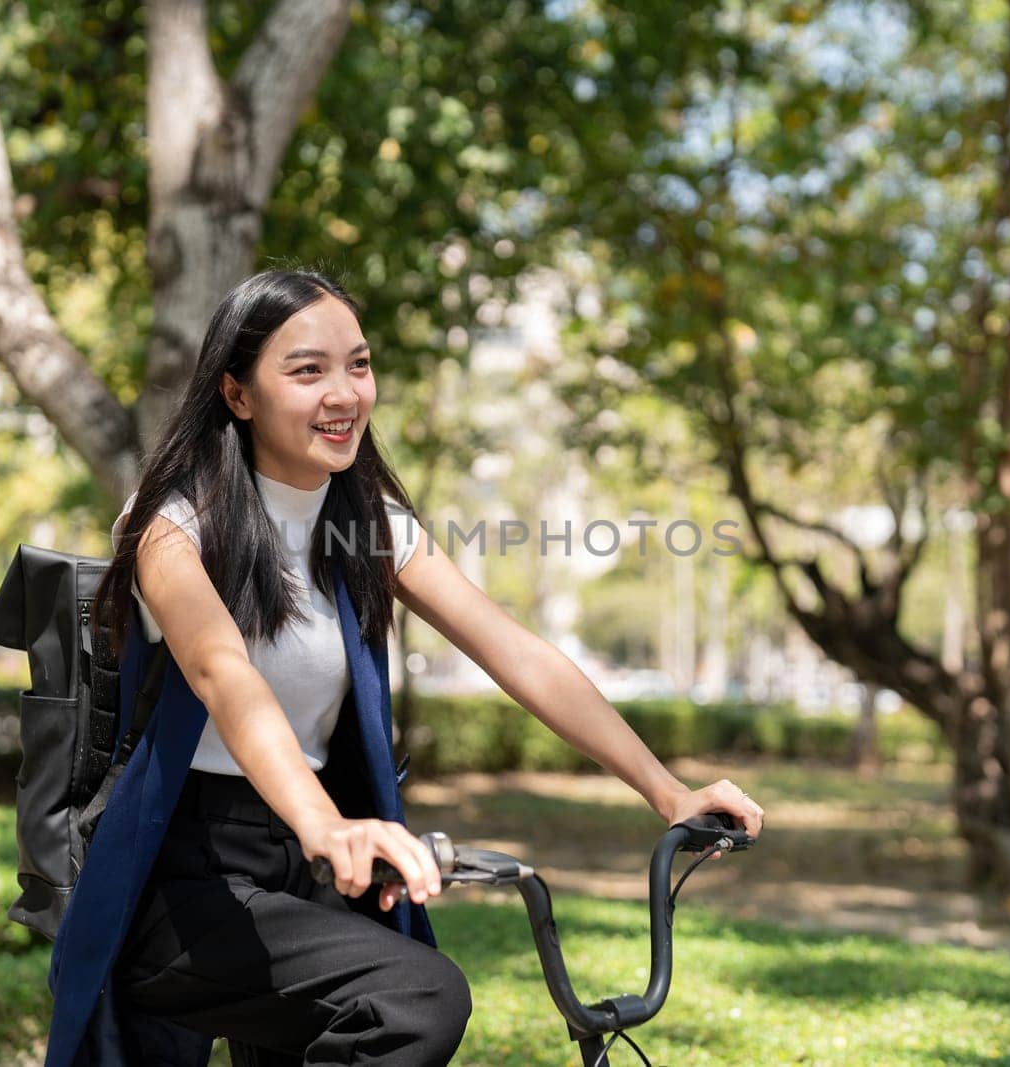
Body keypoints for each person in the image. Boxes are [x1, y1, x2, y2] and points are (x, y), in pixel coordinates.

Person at [47, 270, 765, 1067]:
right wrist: (325, 820)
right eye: (307, 369)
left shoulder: (369, 526)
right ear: (238, 394)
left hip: (314, 864)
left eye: (358, 364)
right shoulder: (174, 522)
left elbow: (514, 651)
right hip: (181, 873)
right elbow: (222, 672)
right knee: (415, 999)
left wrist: (665, 789)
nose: (345, 392)